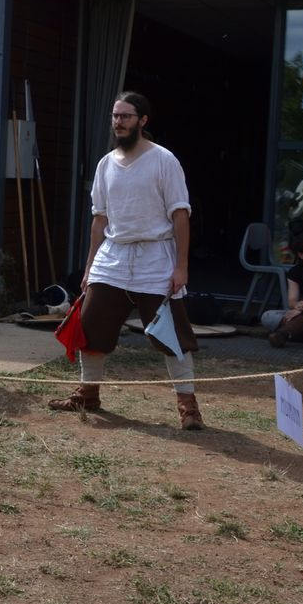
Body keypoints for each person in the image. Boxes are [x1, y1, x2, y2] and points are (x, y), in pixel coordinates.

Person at [49, 92, 205, 430]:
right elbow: (99, 220)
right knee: (91, 327)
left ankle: (188, 406)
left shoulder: (164, 160)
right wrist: (90, 267)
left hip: (156, 257)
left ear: (142, 120)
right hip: (113, 256)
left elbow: (180, 216)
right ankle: (88, 394)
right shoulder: (106, 164)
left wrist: (181, 266)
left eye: (126, 116)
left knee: (172, 335)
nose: (118, 122)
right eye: (115, 116)